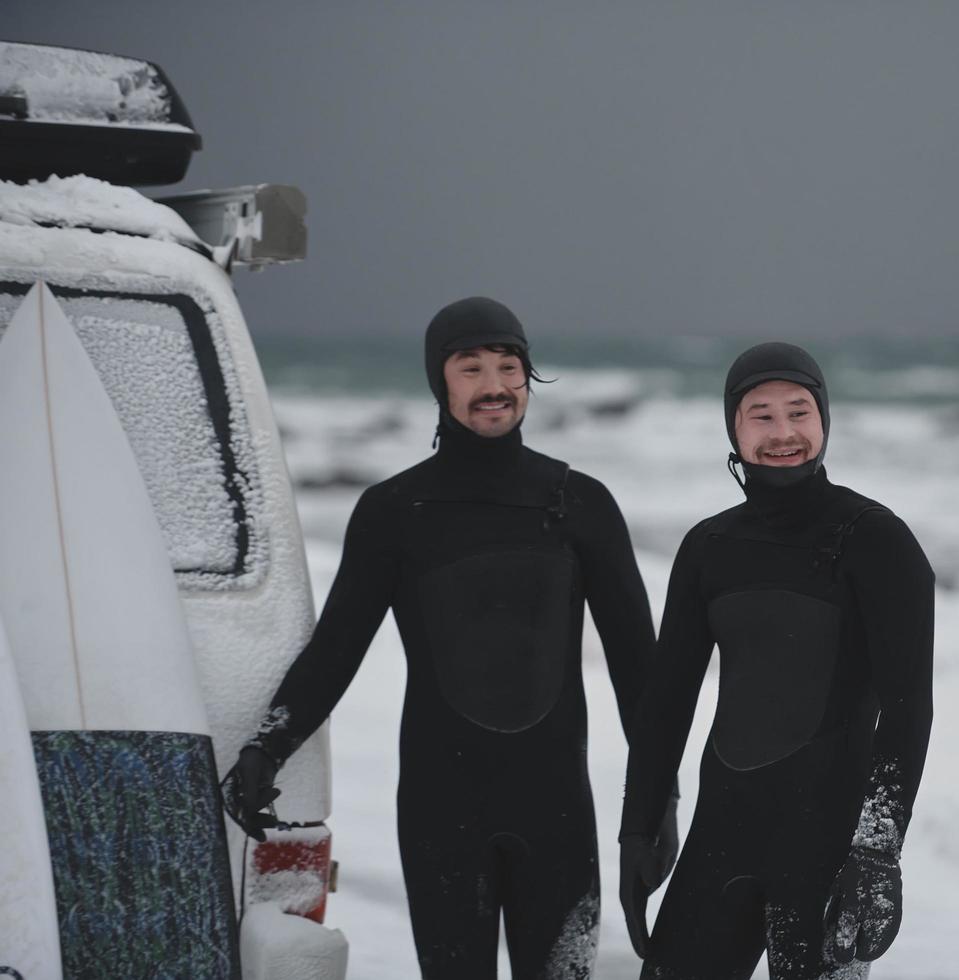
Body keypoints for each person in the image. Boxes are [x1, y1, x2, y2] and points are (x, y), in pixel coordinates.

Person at [222, 296, 678, 979]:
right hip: (442, 812)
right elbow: (338, 646)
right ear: (441, 382)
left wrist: (654, 805)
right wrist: (269, 744)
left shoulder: (581, 504)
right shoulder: (395, 512)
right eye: (471, 368)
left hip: (556, 813)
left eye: (509, 366)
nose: (494, 386)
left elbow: (639, 672)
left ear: (528, 377)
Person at [619, 342, 934, 980]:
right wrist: (639, 826)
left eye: (799, 411)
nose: (784, 432)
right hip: (721, 841)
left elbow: (908, 710)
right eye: (760, 415)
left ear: (824, 421)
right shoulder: (709, 547)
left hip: (828, 857)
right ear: (733, 428)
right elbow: (667, 701)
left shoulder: (876, 539)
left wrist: (877, 855)